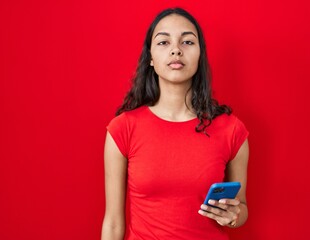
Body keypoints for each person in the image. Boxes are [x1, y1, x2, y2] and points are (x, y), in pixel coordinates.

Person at [101, 7, 249, 240]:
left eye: (188, 42)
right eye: (163, 42)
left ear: (200, 54)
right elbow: (112, 223)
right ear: (150, 57)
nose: (176, 50)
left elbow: (241, 209)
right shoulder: (123, 129)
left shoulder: (231, 130)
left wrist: (233, 214)